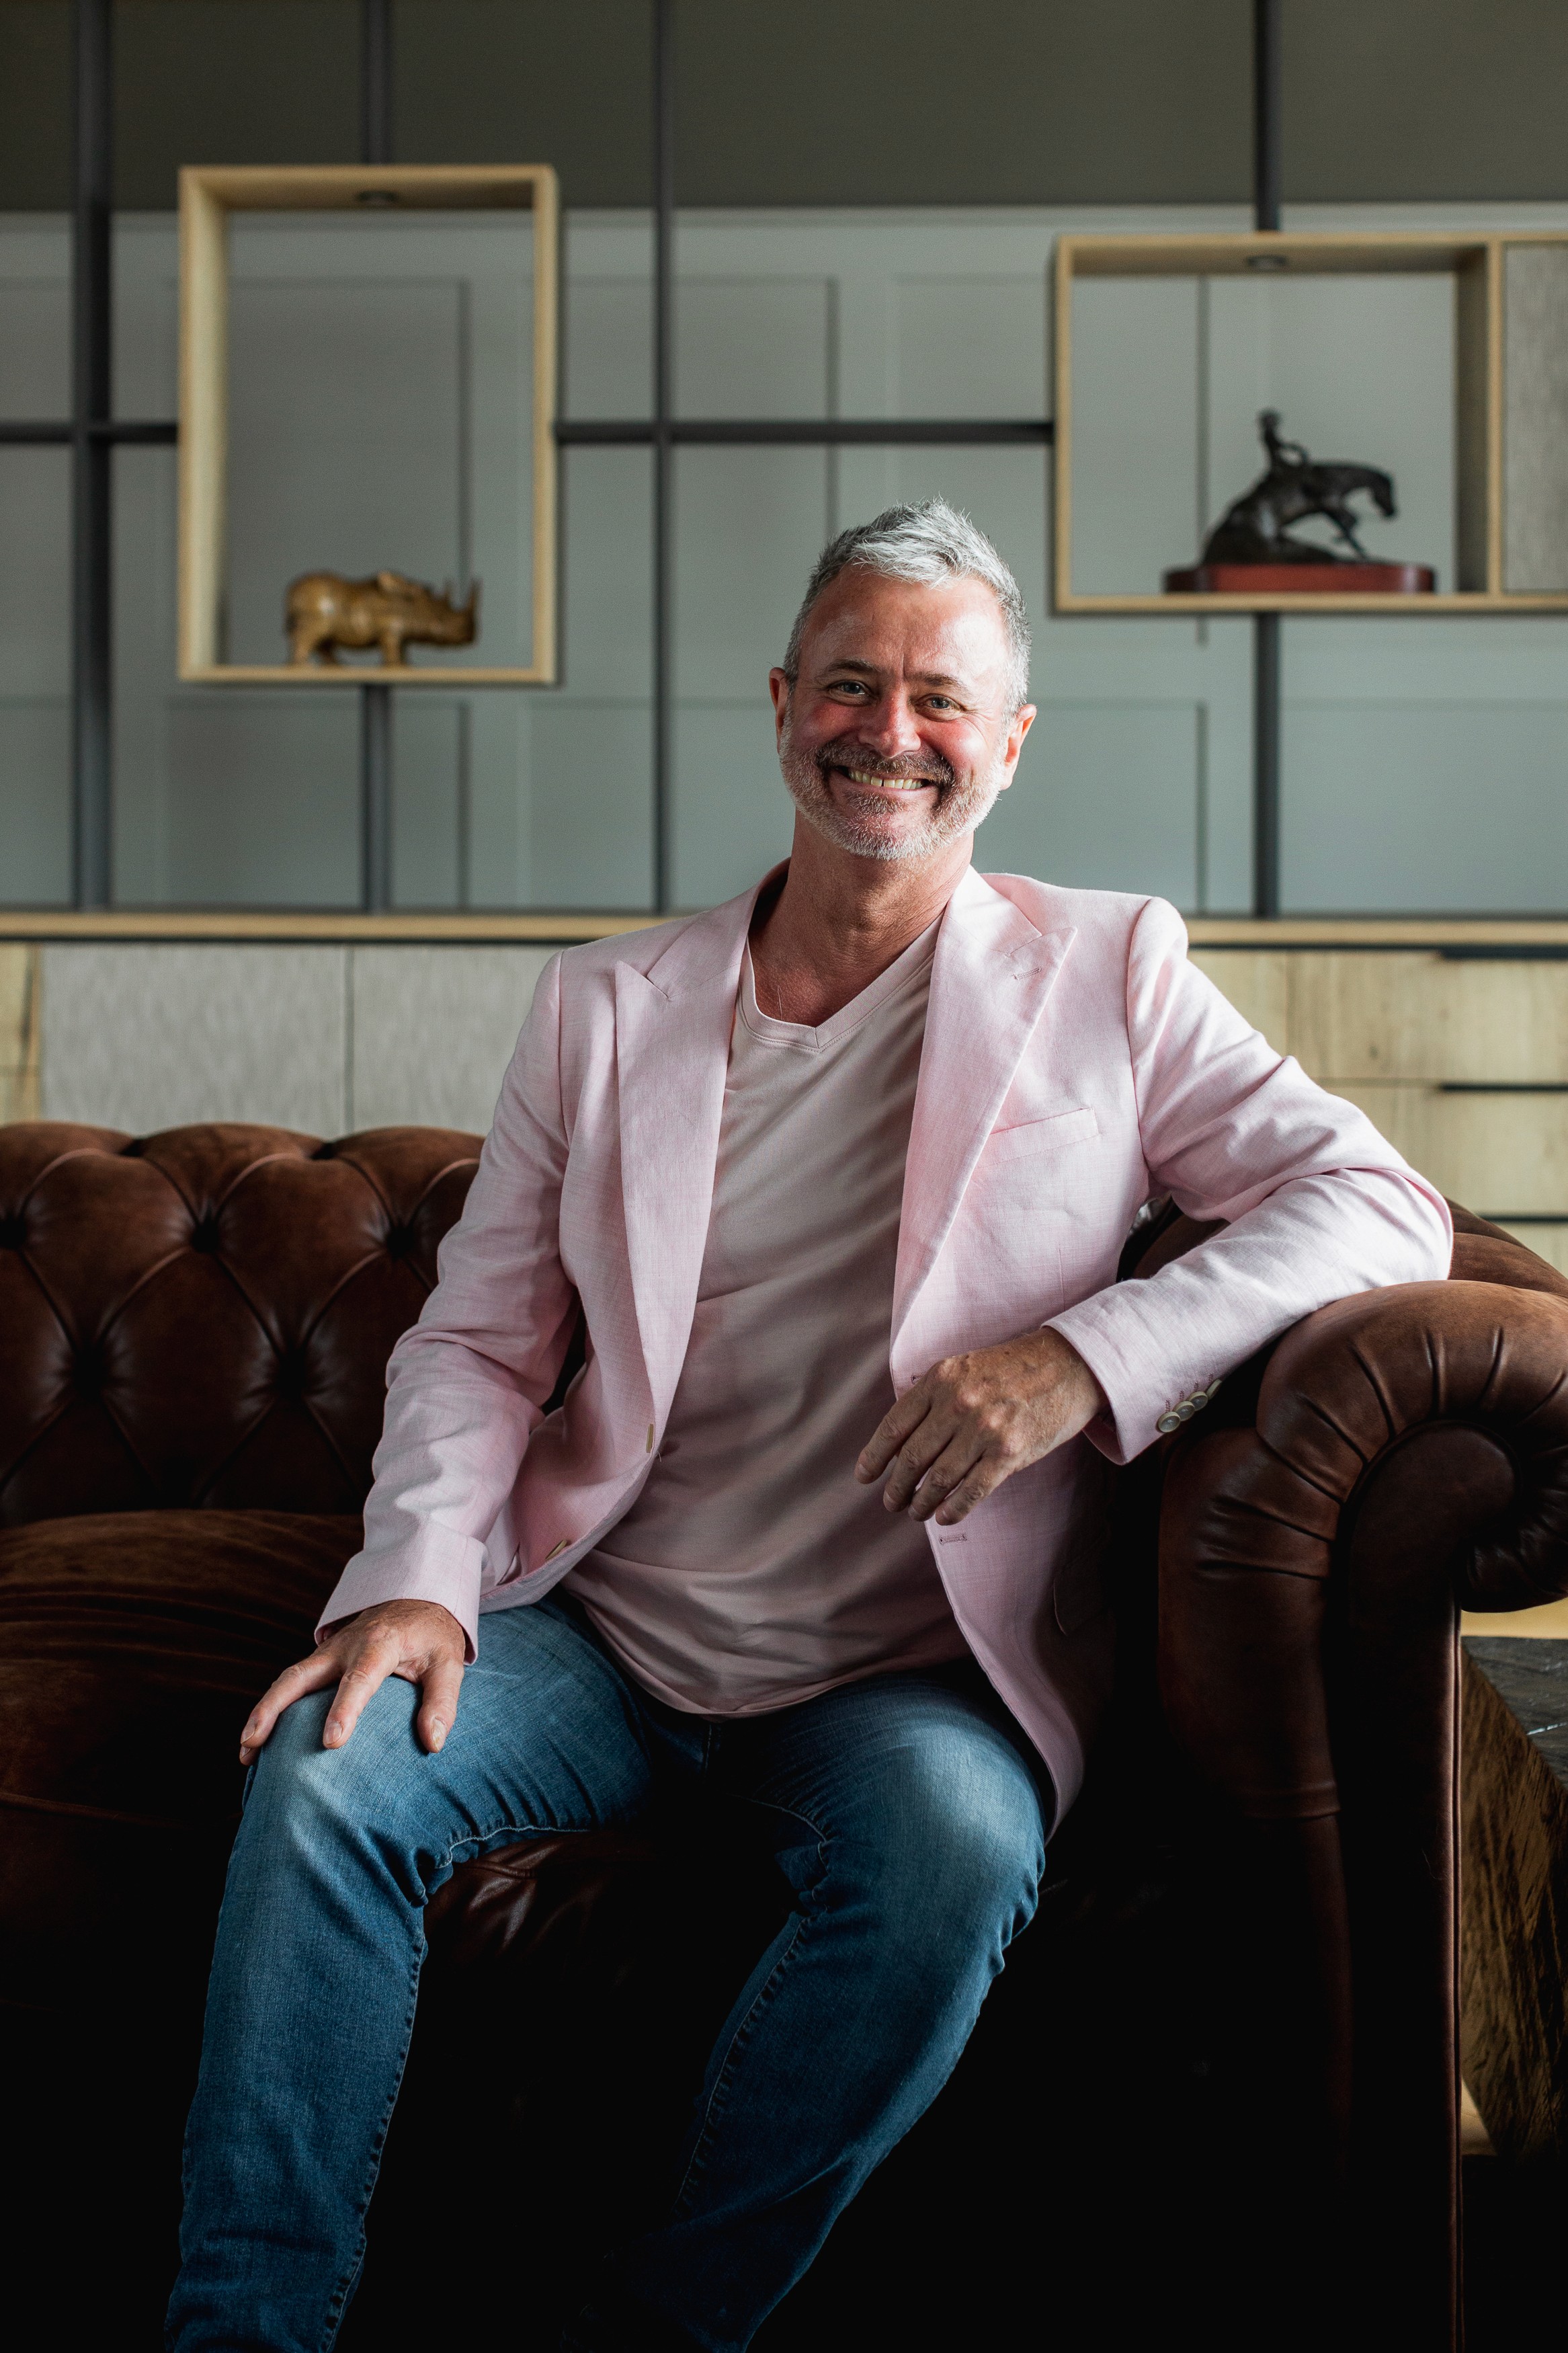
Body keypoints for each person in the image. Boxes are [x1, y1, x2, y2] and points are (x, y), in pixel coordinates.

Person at [167, 501, 1450, 2352]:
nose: (890, 729)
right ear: (783, 707)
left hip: (908, 1677)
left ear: (1009, 743)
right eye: (852, 683)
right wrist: (421, 1585)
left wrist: (1081, 1358)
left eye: (942, 697)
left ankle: (653, 2323)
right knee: (331, 1770)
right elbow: (480, 1334)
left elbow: (1377, 1202)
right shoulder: (606, 1007)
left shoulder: (1110, 973)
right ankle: (243, 2331)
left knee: (955, 1852)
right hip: (605, 1633)